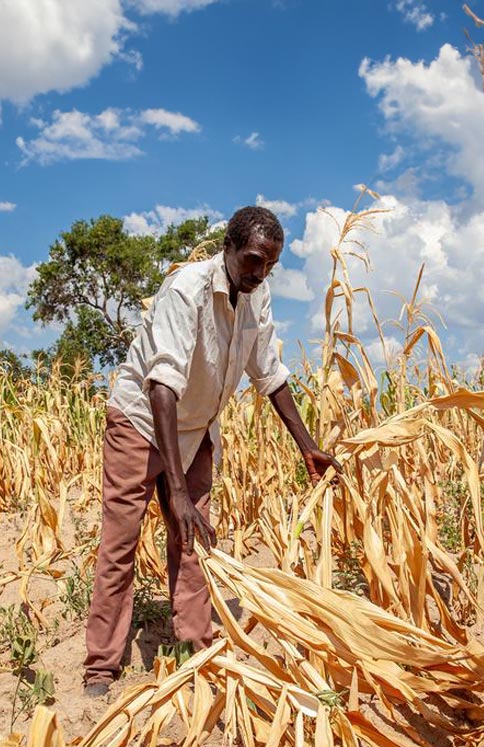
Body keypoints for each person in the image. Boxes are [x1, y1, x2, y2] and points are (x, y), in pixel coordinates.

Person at [82, 205, 339, 696]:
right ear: (228, 247)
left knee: (194, 540)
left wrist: (308, 447)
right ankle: (100, 667)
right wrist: (174, 490)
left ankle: (196, 646)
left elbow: (270, 373)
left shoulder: (255, 296)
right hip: (142, 422)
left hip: (196, 427)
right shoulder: (187, 291)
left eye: (269, 264)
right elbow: (162, 386)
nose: (259, 272)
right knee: (120, 544)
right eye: (252, 260)